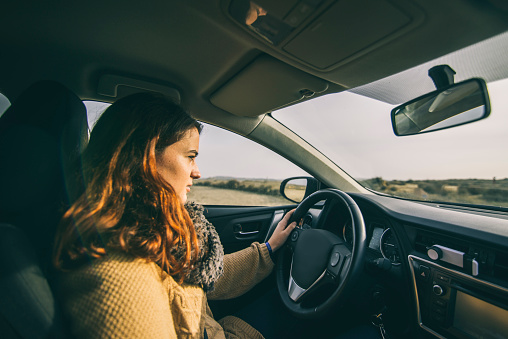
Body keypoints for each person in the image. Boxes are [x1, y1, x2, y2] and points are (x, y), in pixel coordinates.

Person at [53, 92, 297, 339]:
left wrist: (269, 249)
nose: (198, 172)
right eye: (190, 156)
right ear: (145, 156)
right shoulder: (121, 275)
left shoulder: (147, 230)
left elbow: (206, 279)